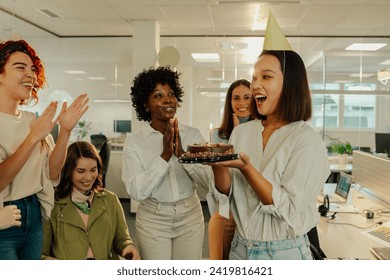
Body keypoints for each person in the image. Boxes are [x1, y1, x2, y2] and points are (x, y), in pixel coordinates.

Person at [210, 13, 330, 260]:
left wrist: (246, 168)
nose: (255, 85)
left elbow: (287, 208)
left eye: (266, 77)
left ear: (290, 84)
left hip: (284, 253)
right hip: (240, 250)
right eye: (254, 77)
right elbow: (229, 191)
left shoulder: (306, 140)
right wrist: (217, 165)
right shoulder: (243, 132)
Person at [0, 39, 89, 260]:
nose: (30, 74)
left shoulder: (32, 120)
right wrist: (32, 139)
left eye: (32, 69)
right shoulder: (33, 129)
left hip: (34, 215)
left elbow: (52, 173)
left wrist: (65, 131)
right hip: (5, 217)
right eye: (20, 67)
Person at [122, 66, 212, 260]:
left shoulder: (193, 135)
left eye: (171, 94)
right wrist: (164, 156)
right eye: (158, 95)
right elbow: (136, 190)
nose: (168, 99)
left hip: (190, 216)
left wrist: (182, 155)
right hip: (153, 219)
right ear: (145, 104)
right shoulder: (135, 142)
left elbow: (208, 183)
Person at [41, 141, 140, 260]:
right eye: (81, 171)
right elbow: (40, 253)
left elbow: (122, 239)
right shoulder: (52, 205)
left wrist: (128, 246)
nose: (88, 177)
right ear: (68, 171)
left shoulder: (110, 199)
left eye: (93, 170)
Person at [208, 79, 255, 260]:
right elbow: (223, 184)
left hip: (252, 215)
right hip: (226, 212)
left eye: (247, 97)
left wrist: (240, 132)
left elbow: (254, 168)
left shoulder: (263, 132)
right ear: (229, 102)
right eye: (236, 98)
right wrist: (236, 133)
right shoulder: (217, 135)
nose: (241, 103)